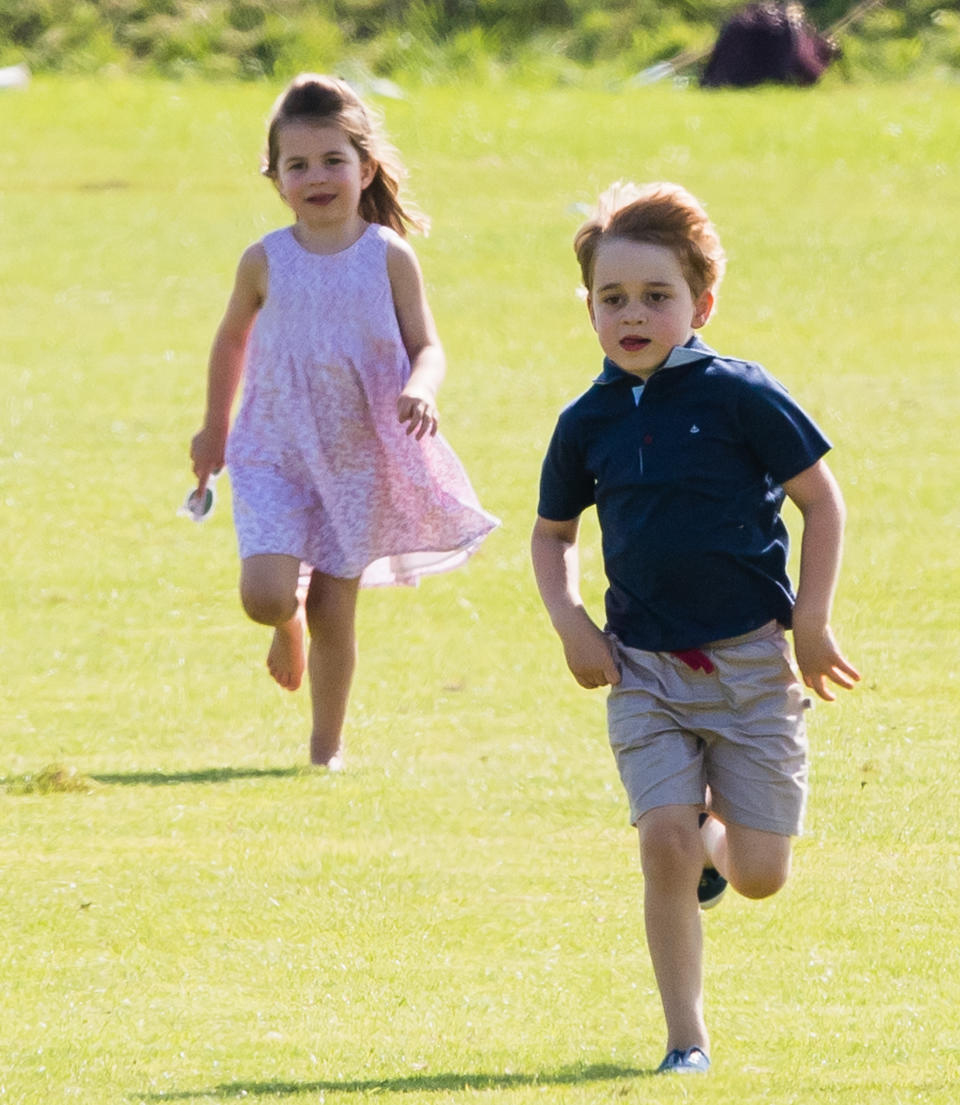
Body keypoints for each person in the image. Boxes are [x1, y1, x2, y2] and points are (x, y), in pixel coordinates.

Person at [531, 182, 859, 1074]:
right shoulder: (586, 421)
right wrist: (572, 623)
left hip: (754, 664)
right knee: (660, 839)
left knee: (760, 874)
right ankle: (687, 1041)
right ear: (589, 306)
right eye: (612, 298)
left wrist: (813, 623)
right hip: (643, 669)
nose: (632, 314)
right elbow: (552, 535)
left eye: (655, 296)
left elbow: (822, 504)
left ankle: (723, 845)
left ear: (700, 304)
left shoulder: (743, 396)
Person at [190, 73, 498, 769]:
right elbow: (231, 341)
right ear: (276, 179)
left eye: (333, 160)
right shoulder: (264, 260)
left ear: (367, 168)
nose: (317, 176)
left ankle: (324, 748)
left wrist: (422, 387)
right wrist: (213, 429)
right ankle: (284, 621)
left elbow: (429, 345)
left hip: (360, 453)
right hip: (273, 445)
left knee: (337, 606)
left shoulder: (387, 256)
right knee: (264, 594)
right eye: (298, 165)